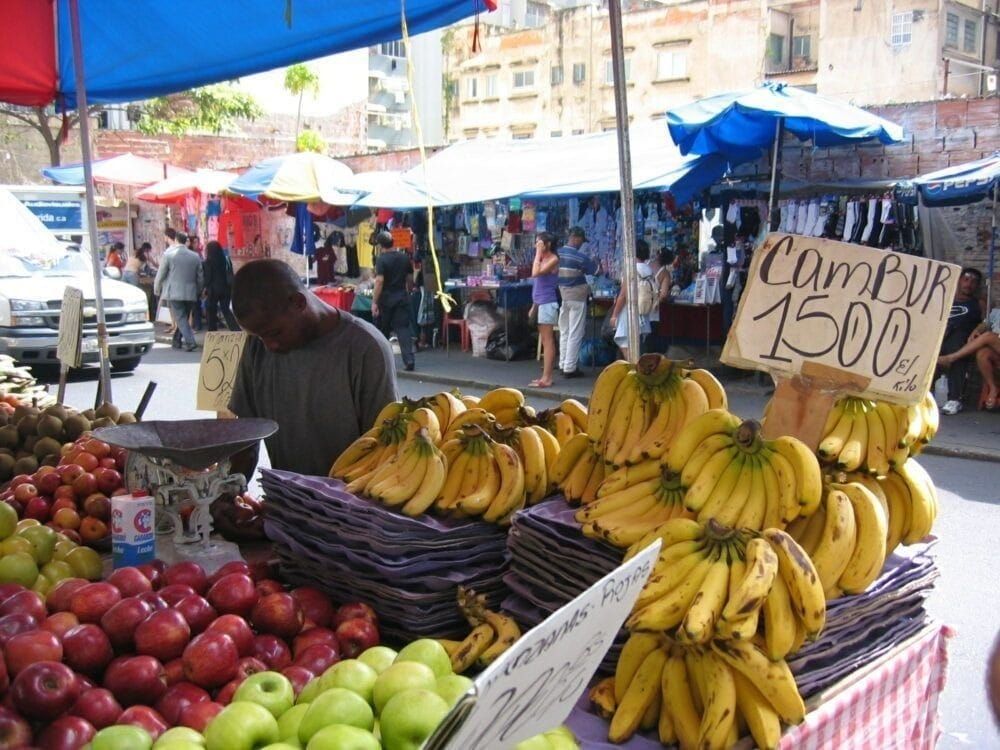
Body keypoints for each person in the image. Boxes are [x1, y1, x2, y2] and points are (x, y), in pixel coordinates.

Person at [228, 259, 397, 477]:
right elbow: (246, 434)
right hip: (288, 501)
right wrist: (230, 490)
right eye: (259, 337)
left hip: (353, 504)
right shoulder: (257, 346)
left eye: (274, 333)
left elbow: (385, 446)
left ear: (298, 302)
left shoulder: (366, 348)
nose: (269, 346)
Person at [937, 268, 984, 415]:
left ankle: (954, 399)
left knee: (957, 345)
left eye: (974, 282)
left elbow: (986, 321)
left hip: (961, 339)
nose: (969, 284)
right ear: (959, 281)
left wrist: (978, 330)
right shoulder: (946, 298)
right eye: (966, 279)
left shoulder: (979, 303)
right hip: (940, 335)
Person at [939, 306, 1000, 410]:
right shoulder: (997, 311)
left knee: (989, 336)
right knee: (982, 354)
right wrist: (976, 330)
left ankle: (952, 357)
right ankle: (993, 388)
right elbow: (985, 324)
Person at [557, 226, 598, 378]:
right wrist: (595, 260)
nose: (582, 244)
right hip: (577, 297)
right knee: (575, 332)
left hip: (563, 295)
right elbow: (595, 270)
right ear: (576, 238)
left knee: (565, 331)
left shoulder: (558, 253)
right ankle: (570, 368)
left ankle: (563, 363)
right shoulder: (579, 257)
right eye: (581, 240)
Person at [372, 231, 416, 372]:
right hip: (401, 298)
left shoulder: (381, 260)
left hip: (386, 300)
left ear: (380, 245)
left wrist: (374, 301)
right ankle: (409, 360)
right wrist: (408, 289)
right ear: (393, 243)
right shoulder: (404, 258)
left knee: (382, 331)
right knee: (403, 329)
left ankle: (381, 361)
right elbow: (410, 277)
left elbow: (379, 281)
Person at [154, 231, 204, 352]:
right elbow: (200, 277)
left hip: (174, 292)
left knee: (181, 318)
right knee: (183, 317)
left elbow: (161, 274)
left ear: (176, 240)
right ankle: (177, 340)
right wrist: (199, 290)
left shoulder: (169, 255)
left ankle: (190, 341)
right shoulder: (195, 256)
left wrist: (157, 288)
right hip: (191, 292)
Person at [610, 240, 654, 361]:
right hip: (643, 313)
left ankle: (635, 373)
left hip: (629, 313)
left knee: (627, 347)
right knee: (637, 348)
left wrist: (614, 315)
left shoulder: (631, 270)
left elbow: (623, 295)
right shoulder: (649, 270)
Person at [529, 232, 560, 387]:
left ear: (548, 244)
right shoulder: (542, 259)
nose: (537, 245)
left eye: (540, 243)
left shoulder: (553, 259)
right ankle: (544, 376)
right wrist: (534, 306)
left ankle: (547, 378)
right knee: (545, 340)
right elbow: (537, 284)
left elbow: (535, 273)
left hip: (548, 302)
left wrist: (537, 253)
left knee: (548, 341)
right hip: (541, 302)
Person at [203, 240, 239, 332]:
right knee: (226, 310)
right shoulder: (226, 260)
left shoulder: (207, 262)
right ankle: (236, 330)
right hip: (226, 288)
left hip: (213, 290)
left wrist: (204, 288)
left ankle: (212, 332)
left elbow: (207, 278)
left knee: (211, 311)